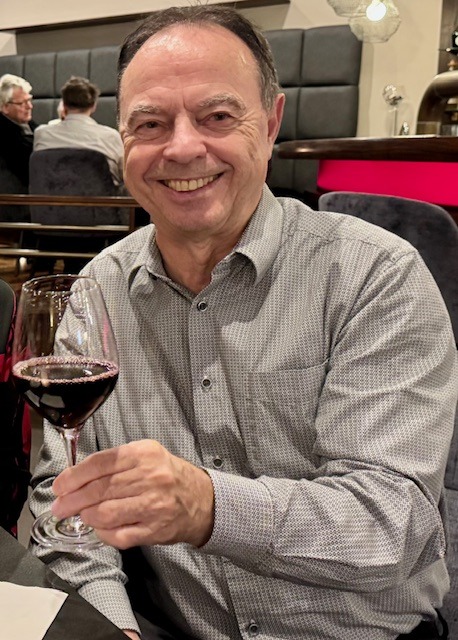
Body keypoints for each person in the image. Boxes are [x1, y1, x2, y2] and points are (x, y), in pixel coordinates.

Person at [29, 6, 458, 640]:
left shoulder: (375, 275)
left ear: (272, 122)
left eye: (218, 117)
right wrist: (114, 628)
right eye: (150, 124)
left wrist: (205, 505)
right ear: (122, 139)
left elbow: (391, 524)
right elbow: (65, 498)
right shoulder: (99, 289)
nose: (181, 147)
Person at [33, 76, 124, 187]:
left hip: (49, 197)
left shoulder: (41, 134)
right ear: (94, 106)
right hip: (99, 197)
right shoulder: (111, 136)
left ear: (64, 105)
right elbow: (125, 175)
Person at [0, 73, 37, 186]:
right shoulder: (6, 137)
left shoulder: (27, 123)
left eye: (29, 100)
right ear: (5, 107)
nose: (30, 106)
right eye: (22, 103)